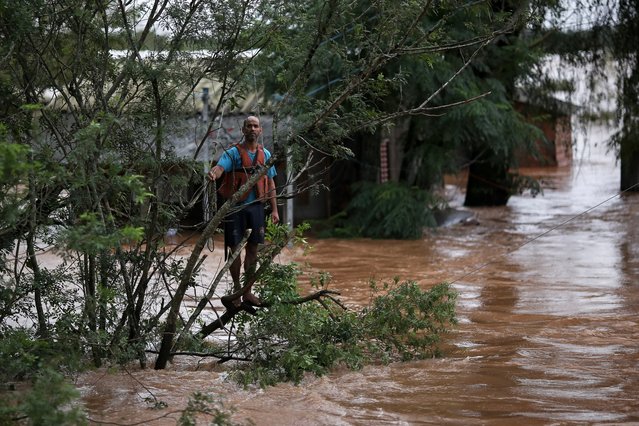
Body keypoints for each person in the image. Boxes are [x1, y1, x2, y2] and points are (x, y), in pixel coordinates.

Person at [207, 115, 279, 310]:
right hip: (235, 208)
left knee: (253, 249)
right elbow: (221, 167)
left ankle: (248, 291)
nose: (252, 129)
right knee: (235, 250)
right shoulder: (233, 154)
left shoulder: (265, 154)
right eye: (249, 126)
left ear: (260, 130)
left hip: (256, 208)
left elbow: (270, 183)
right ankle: (237, 291)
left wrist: (274, 209)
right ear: (243, 130)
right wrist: (215, 172)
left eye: (256, 126)